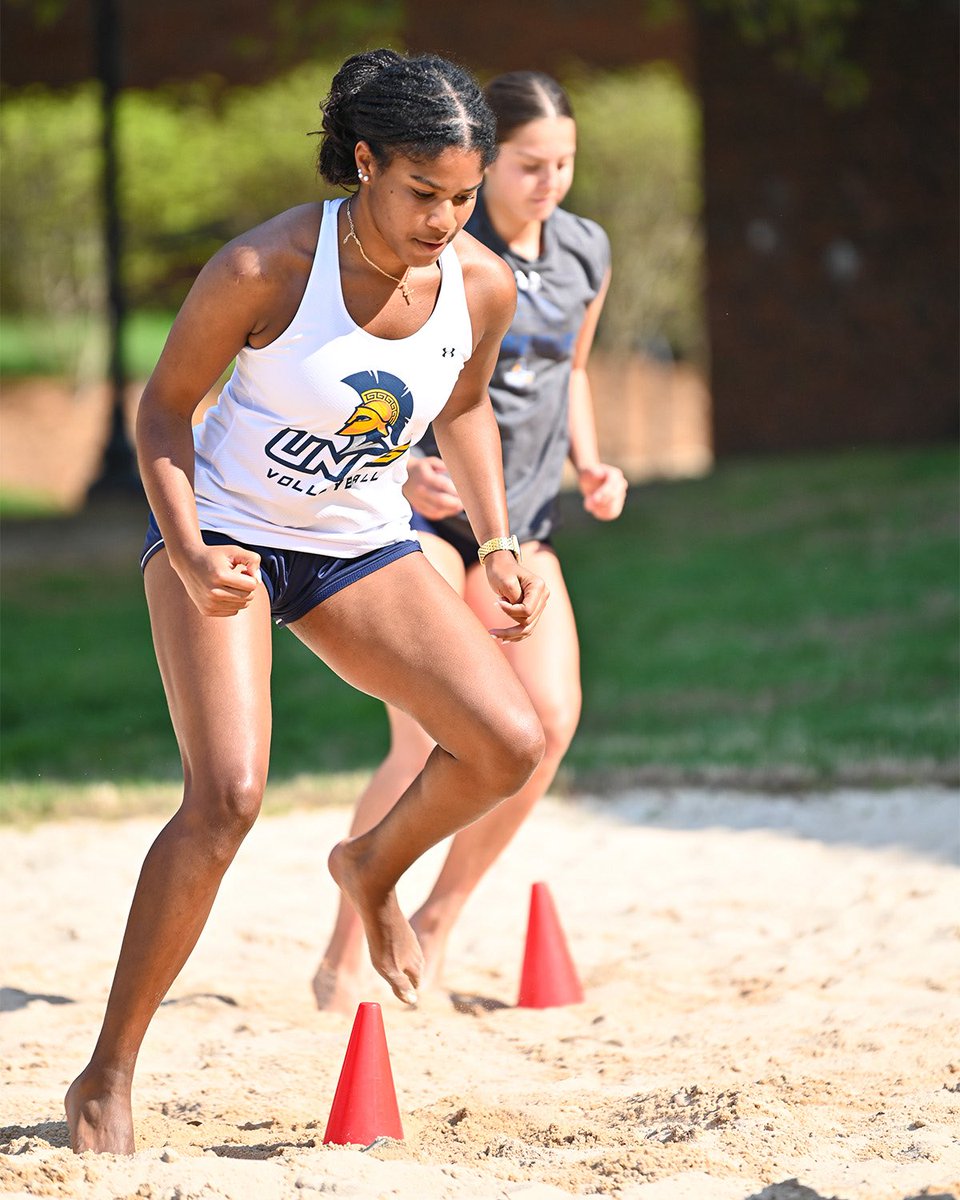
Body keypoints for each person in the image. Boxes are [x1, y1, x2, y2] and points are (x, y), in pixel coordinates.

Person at [64, 48, 552, 1155]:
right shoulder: (267, 266)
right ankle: (108, 1071)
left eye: (464, 197)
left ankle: (370, 865)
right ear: (366, 161)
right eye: (423, 192)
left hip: (356, 546)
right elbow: (161, 415)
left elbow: (465, 406)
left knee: (510, 740)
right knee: (227, 795)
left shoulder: (479, 282)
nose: (444, 219)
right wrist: (187, 552)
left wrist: (495, 538)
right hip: (226, 527)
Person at [313, 70, 627, 1014]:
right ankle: (347, 944)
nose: (550, 183)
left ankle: (440, 917)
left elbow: (570, 369)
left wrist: (593, 461)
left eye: (563, 164)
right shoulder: (441, 245)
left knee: (548, 728)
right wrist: (402, 466)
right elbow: (376, 376)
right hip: (417, 523)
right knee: (427, 741)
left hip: (518, 527)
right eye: (531, 165)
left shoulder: (584, 251)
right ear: (488, 168)